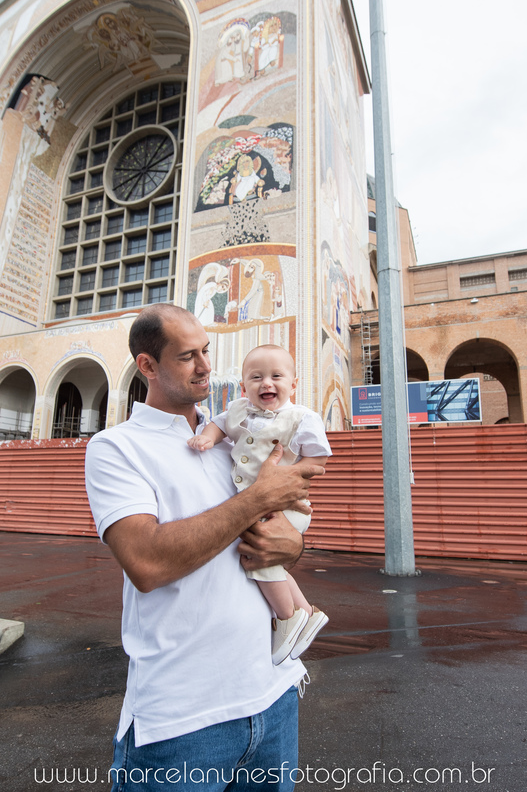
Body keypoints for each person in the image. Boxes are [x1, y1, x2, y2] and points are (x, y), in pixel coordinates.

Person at [85, 303, 324, 792]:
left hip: (273, 697)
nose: (205, 366)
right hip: (181, 722)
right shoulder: (116, 448)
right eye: (187, 356)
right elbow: (147, 562)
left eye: (207, 351)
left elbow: (277, 535)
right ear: (148, 365)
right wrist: (257, 499)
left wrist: (292, 546)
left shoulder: (234, 438)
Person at [188, 344, 330, 664]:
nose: (266, 383)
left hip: (286, 507)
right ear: (243, 387)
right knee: (272, 560)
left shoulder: (301, 418)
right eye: (256, 377)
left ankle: (286, 617)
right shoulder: (239, 409)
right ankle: (306, 612)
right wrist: (208, 438)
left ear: (293, 384)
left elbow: (318, 456)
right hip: (256, 506)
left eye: (276, 376)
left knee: (259, 559)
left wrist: (288, 478)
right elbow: (220, 423)